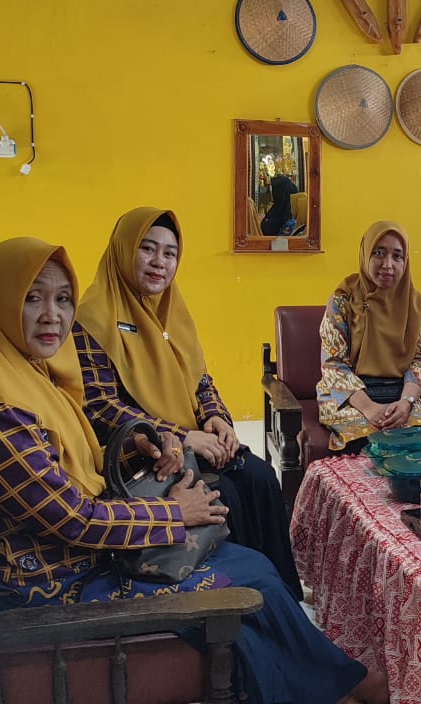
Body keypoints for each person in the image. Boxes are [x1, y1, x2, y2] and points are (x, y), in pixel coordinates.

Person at [0, 237, 388, 704]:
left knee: (255, 563)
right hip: (54, 595)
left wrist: (142, 441)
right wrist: (175, 513)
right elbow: (75, 517)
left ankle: (337, 684)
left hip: (81, 560)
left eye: (62, 298)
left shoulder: (26, 379)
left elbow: (78, 459)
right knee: (243, 588)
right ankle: (340, 687)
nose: (53, 315)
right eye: (33, 298)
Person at [74, 208, 302, 601]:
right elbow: (100, 406)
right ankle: (239, 602)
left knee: (262, 479)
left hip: (195, 442)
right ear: (123, 251)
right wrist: (181, 436)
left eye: (170, 253)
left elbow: (200, 379)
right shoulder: (92, 320)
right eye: (147, 249)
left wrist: (217, 417)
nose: (159, 262)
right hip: (147, 455)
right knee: (226, 496)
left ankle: (282, 595)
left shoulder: (171, 311)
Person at [317, 221, 421, 453]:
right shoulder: (343, 299)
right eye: (379, 253)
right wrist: (369, 407)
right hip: (349, 397)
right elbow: (333, 364)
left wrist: (407, 402)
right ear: (365, 254)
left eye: (397, 256)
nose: (387, 265)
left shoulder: (414, 302)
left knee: (417, 442)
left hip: (399, 393)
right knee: (367, 442)